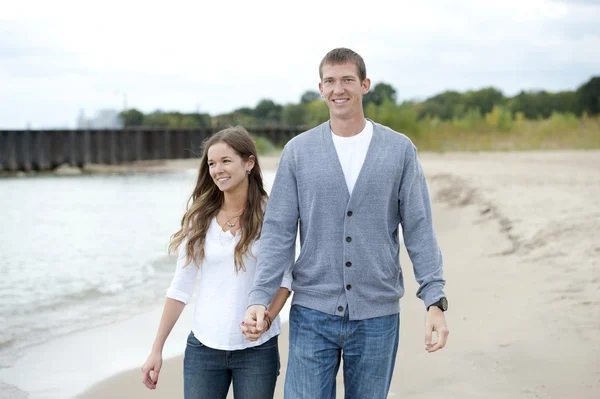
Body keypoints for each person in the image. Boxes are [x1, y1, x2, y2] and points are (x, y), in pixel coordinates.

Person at [242, 48, 449, 398]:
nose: (339, 89)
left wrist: (435, 300)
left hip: (377, 314)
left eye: (348, 80)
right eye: (330, 81)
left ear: (365, 85)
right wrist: (260, 296)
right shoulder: (298, 152)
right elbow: (277, 233)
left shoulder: (400, 150)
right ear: (320, 89)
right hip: (312, 312)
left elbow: (419, 229)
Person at [141, 126, 292, 399]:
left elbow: (285, 279)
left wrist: (266, 319)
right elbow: (181, 286)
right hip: (203, 347)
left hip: (257, 349)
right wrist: (157, 348)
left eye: (226, 161)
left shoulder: (273, 213)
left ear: (249, 163)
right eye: (212, 163)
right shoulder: (201, 218)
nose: (217, 169)